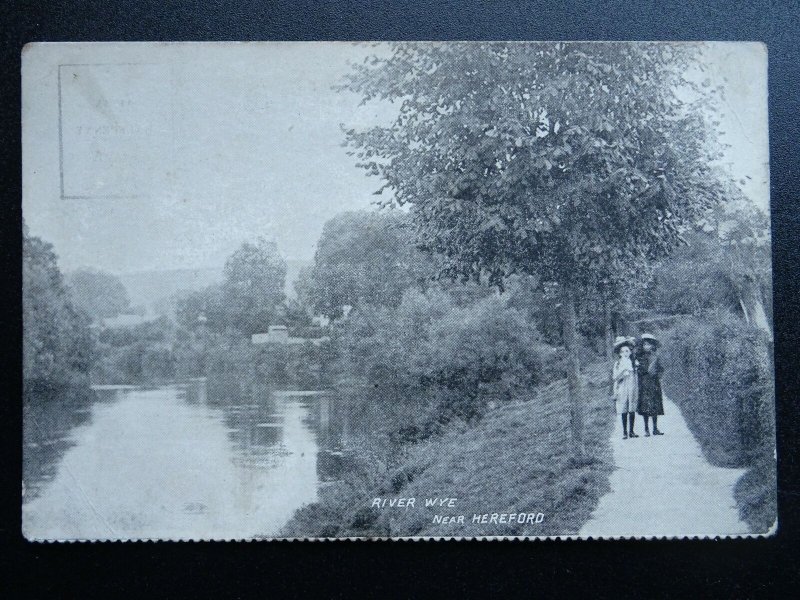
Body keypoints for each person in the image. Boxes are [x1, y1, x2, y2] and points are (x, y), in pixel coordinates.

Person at [637, 333, 665, 436]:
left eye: (648, 345)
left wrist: (658, 374)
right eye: (644, 345)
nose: (646, 346)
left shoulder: (655, 356)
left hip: (654, 383)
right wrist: (645, 371)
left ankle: (655, 428)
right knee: (645, 407)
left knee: (655, 406)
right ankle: (646, 429)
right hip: (644, 384)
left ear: (652, 346)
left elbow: (661, 369)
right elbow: (639, 371)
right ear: (642, 346)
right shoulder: (640, 357)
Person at [612, 336, 638, 440]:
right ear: (620, 353)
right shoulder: (617, 364)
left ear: (630, 352)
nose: (625, 353)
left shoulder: (633, 363)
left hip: (631, 386)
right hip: (622, 386)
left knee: (631, 408)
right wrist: (623, 373)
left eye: (627, 351)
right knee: (623, 408)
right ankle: (624, 432)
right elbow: (615, 377)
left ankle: (631, 431)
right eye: (623, 351)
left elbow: (636, 376)